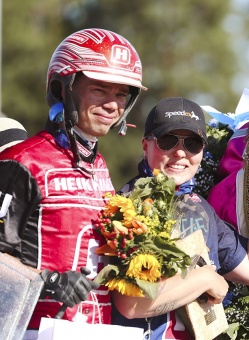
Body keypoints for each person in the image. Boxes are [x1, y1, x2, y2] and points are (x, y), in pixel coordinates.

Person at [0, 28, 147, 338]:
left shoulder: (101, 167)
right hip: (29, 330)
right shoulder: (23, 161)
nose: (112, 105)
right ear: (63, 87)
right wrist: (48, 281)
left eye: (121, 94)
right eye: (99, 89)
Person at [110, 97, 249, 339]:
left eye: (192, 143)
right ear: (145, 145)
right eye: (167, 140)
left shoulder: (201, 208)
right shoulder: (128, 206)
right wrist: (204, 278)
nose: (180, 152)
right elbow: (132, 305)